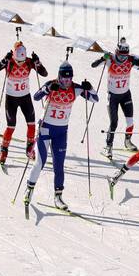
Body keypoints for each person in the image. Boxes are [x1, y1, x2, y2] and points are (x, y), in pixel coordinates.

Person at [25, 61, 99, 214]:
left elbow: (95, 99)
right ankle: (29, 190)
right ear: (59, 76)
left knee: (59, 166)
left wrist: (90, 87)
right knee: (40, 162)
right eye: (64, 79)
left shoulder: (76, 88)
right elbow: (36, 97)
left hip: (61, 132)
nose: (67, 82)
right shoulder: (52, 84)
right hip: (45, 128)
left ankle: (58, 197)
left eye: (69, 78)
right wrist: (47, 89)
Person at [93, 37, 139, 158]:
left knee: (130, 121)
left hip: (125, 94)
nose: (123, 58)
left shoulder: (131, 59)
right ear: (116, 52)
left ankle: (127, 141)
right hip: (113, 96)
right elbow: (93, 65)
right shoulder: (110, 59)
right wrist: (102, 58)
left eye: (125, 55)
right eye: (120, 55)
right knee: (114, 122)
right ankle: (108, 147)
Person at [0, 40, 47, 167]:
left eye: (22, 61)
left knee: (31, 124)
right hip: (11, 98)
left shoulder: (29, 62)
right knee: (11, 126)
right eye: (18, 61)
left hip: (25, 98)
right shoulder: (10, 60)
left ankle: (29, 149)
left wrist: (37, 62)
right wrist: (4, 60)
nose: (20, 63)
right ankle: (3, 151)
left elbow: (44, 74)